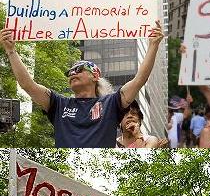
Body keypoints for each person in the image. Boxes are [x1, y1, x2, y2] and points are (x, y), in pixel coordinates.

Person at [0, 22, 163, 148]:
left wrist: (153, 45)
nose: (72, 73)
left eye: (78, 69)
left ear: (95, 75)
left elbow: (139, 80)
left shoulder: (111, 103)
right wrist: (11, 51)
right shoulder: (58, 104)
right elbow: (27, 84)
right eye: (69, 72)